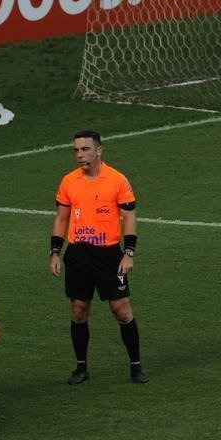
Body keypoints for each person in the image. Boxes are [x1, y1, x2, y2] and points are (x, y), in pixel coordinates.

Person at [48, 130, 148, 385]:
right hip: (78, 254)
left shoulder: (117, 180)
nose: (80, 155)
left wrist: (129, 253)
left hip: (109, 255)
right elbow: (61, 218)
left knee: (121, 310)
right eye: (76, 150)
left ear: (99, 150)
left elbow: (129, 218)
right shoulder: (69, 181)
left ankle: (136, 366)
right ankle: (81, 367)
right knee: (79, 310)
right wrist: (55, 252)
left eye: (85, 149)